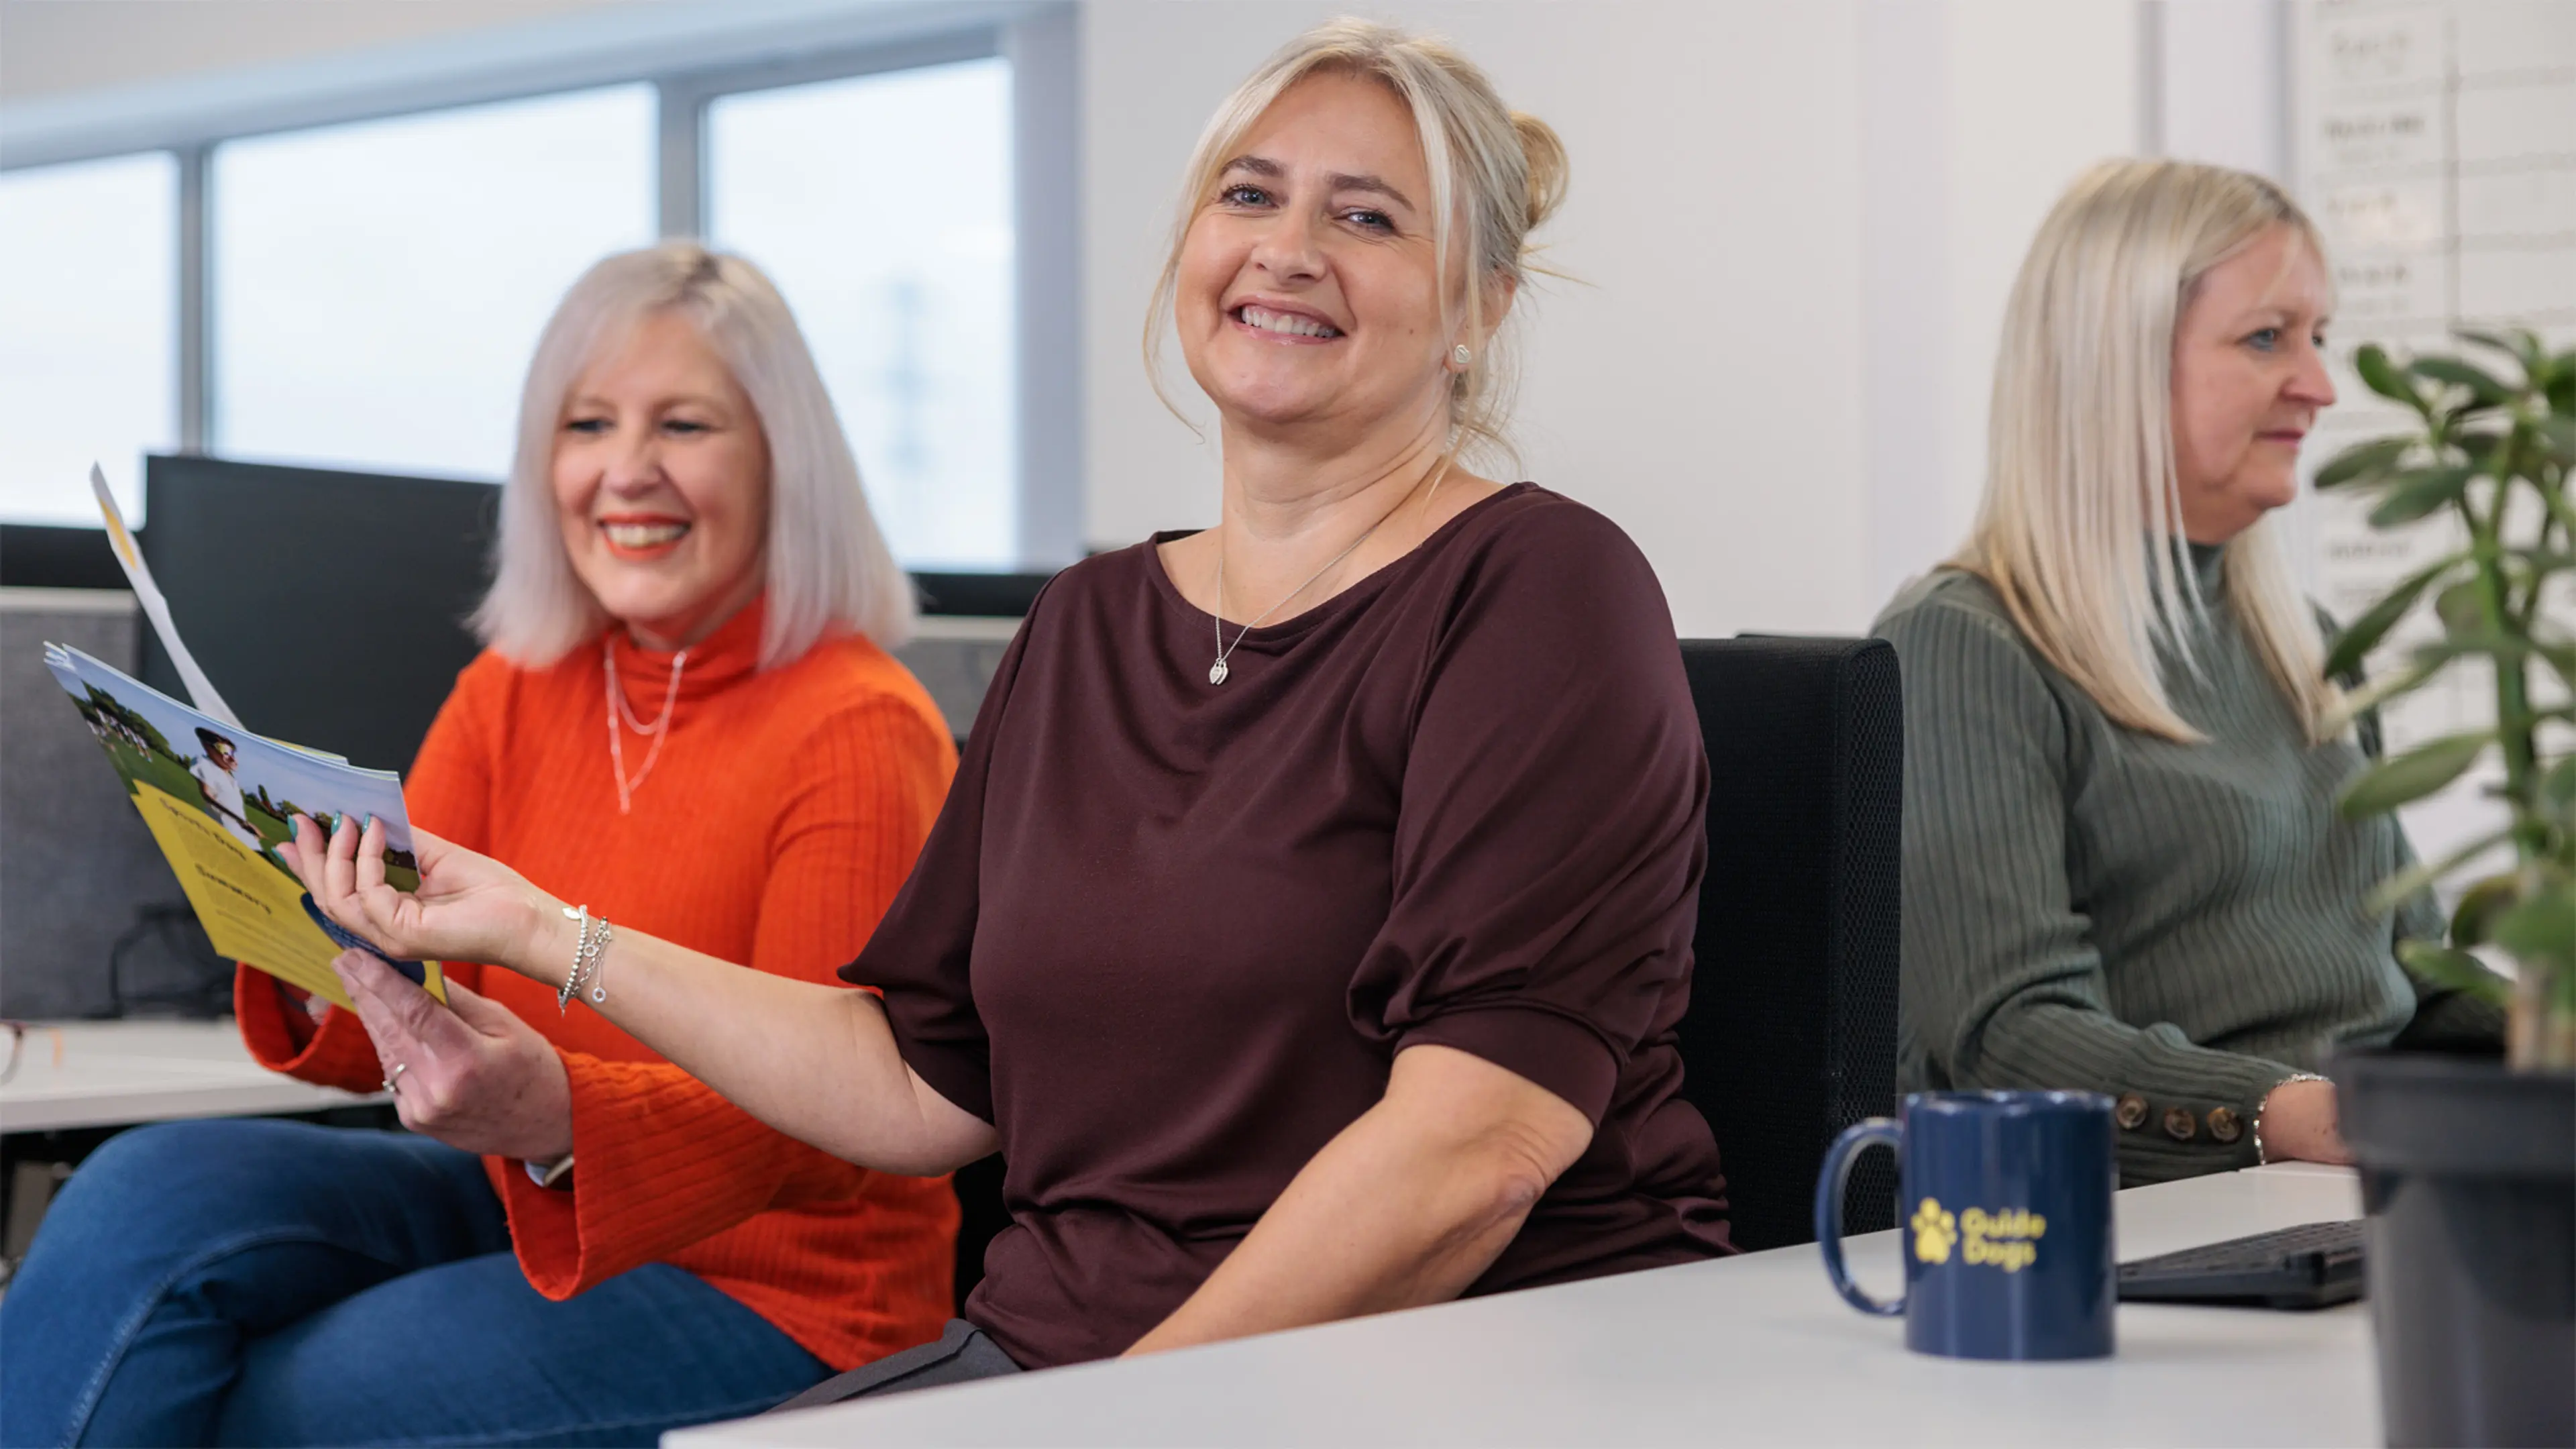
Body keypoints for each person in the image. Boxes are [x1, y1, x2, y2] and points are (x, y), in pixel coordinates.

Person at [285, 18, 1728, 1402]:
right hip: (1059, 1364)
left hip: (1415, 1372)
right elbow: (922, 1080)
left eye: (1367, 218)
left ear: (1479, 310)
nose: (1287, 250)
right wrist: (546, 932)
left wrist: (1108, 1419)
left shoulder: (1538, 590)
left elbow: (1478, 1145)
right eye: (1250, 195)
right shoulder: (1091, 622)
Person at [0, 244, 961, 1446]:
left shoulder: (859, 726)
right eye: (588, 424)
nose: (625, 472)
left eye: (685, 426)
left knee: (282, 1397)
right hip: (519, 1192)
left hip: (777, 1287)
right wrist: (311, 933)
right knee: (136, 1199)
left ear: (784, 463)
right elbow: (407, 1004)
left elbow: (836, 1117)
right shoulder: (521, 687)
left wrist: (561, 1116)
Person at [1874, 158, 2507, 1187]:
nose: (2320, 384)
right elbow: (2006, 1035)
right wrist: (2290, 1115)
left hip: (2351, 1186)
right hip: (2158, 1223)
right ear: (2109, 366)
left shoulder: (2304, 641)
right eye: (2267, 338)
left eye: (2319, 338)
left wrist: (2544, 1048)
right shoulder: (1965, 646)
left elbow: (2416, 983)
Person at [189, 727, 265, 851]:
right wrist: (242, 821)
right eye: (225, 751)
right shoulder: (203, 762)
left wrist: (249, 828)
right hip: (226, 834)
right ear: (208, 748)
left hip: (245, 837)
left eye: (233, 753)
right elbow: (207, 795)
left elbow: (234, 807)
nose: (232, 758)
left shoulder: (231, 779)